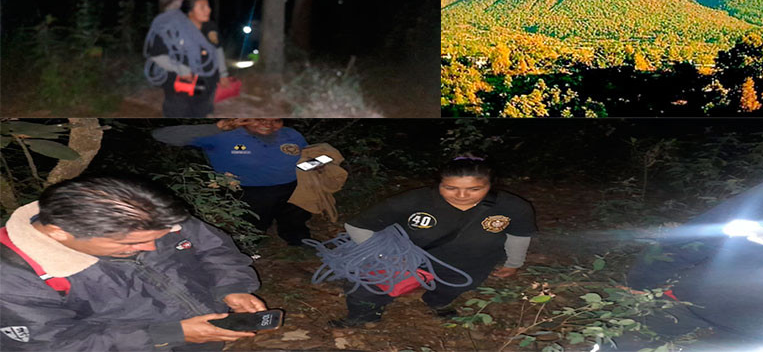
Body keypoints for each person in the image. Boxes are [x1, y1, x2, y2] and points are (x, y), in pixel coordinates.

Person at [0, 176, 266, 351]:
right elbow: (49, 342)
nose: (151, 249)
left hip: (202, 334)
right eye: (129, 244)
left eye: (158, 238)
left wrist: (232, 287)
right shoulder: (13, 274)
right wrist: (165, 333)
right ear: (60, 233)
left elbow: (214, 250)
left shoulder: (153, 219)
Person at [330, 155, 537, 327]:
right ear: (439, 183)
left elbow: (519, 235)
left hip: (472, 263)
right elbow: (357, 225)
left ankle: (437, 302)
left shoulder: (513, 207)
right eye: (450, 188)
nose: (462, 195)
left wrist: (514, 263)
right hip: (410, 258)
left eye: (474, 189)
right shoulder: (415, 200)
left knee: (456, 286)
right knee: (369, 286)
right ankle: (363, 317)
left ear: (491, 185)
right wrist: (387, 257)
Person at [616, 174, 763, 351]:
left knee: (625, 343)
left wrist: (642, 281)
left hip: (705, 299)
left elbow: (694, 239)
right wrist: (643, 280)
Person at [152, 119, 314, 246]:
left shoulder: (291, 134)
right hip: (247, 190)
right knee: (254, 223)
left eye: (276, 120)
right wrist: (217, 127)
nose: (268, 124)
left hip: (294, 184)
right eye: (259, 119)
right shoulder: (222, 135)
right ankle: (250, 243)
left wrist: (318, 164)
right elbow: (161, 135)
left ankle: (297, 237)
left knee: (296, 215)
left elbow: (305, 154)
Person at [144, 0, 232, 117]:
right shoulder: (172, 28)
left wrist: (223, 74)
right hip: (180, 85)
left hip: (207, 83)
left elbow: (217, 50)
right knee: (179, 115)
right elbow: (157, 55)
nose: (208, 10)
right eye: (202, 7)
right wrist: (181, 69)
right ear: (190, 12)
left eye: (208, 6)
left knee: (204, 111)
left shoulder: (210, 26)